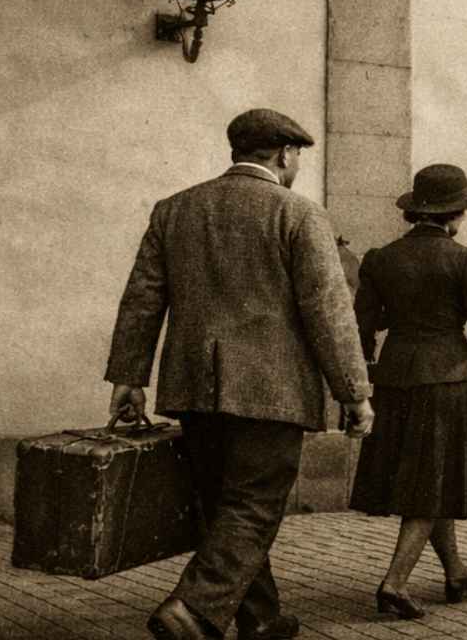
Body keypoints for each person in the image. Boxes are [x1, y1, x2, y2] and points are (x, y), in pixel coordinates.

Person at [106, 109, 374, 640]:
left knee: (224, 505)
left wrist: (128, 378)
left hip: (193, 387)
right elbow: (328, 311)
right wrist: (354, 393)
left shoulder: (174, 209)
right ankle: (192, 610)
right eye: (297, 156)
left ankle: (261, 619)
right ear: (285, 154)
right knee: (253, 506)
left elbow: (142, 300)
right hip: (270, 390)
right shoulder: (299, 213)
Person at [348, 163, 467, 619]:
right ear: (454, 213)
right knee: (431, 483)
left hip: (395, 379)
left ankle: (455, 571)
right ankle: (394, 584)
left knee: (428, 477)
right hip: (448, 380)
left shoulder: (380, 259)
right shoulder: (466, 260)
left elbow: (362, 326)